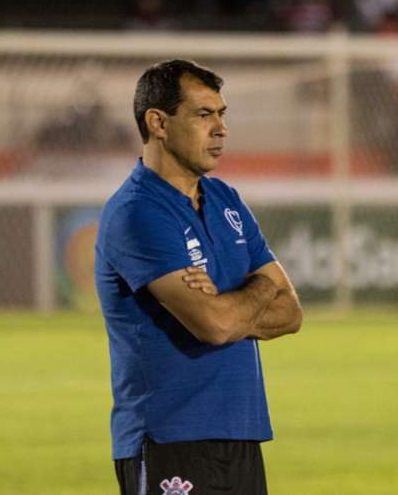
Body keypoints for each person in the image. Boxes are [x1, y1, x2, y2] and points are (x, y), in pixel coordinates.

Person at [94, 59, 303, 495]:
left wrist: (233, 299)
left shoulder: (226, 198)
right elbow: (215, 324)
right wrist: (256, 291)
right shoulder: (137, 212)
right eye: (204, 114)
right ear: (158, 123)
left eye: (222, 114)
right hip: (170, 438)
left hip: (242, 431)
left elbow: (291, 313)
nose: (221, 128)